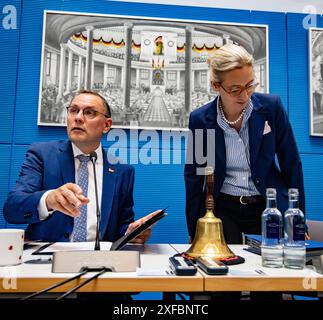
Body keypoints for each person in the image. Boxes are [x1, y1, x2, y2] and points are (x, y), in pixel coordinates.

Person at [185, 44, 305, 245]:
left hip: (268, 205)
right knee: (225, 270)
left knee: (270, 269)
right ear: (216, 86)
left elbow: (291, 163)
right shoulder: (200, 120)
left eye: (250, 85)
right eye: (235, 89)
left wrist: (299, 220)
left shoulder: (272, 108)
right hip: (223, 208)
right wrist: (194, 228)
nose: (245, 95)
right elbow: (194, 177)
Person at [3, 90, 159, 244]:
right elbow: (12, 208)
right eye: (73, 111)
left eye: (89, 112)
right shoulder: (42, 155)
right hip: (48, 259)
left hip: (99, 261)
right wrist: (48, 200)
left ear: (106, 125)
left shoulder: (123, 171)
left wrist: (130, 233)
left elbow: (121, 226)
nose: (78, 118)